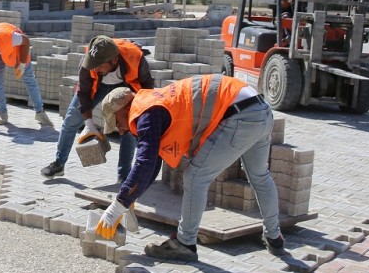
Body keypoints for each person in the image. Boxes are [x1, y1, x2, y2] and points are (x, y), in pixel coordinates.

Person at [91, 74, 285, 260]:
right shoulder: (154, 102)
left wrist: (117, 205)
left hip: (240, 116)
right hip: (260, 110)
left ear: (124, 108)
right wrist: (130, 197)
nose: (121, 129)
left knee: (195, 177)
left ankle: (185, 243)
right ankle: (274, 237)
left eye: (117, 122)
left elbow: (145, 163)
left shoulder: (146, 113)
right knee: (260, 176)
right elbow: (153, 163)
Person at [41, 34, 153, 180]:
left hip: (126, 85)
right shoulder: (89, 62)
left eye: (100, 65)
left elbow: (148, 87)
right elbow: (83, 92)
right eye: (94, 64)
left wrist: (139, 111)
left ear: (114, 60)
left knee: (128, 127)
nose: (95, 68)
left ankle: (124, 175)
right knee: (70, 120)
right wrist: (88, 124)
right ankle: (59, 164)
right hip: (98, 86)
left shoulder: (135, 57)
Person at [0, 21, 53, 128]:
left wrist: (22, 64)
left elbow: (26, 40)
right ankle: (2, 114)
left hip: (15, 47)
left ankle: (40, 112)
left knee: (29, 78)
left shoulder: (11, 38)